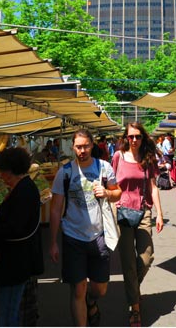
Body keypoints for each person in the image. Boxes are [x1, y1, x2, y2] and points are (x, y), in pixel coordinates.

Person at [49, 129, 121, 327]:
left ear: (92, 145)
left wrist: (106, 192)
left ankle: (92, 301)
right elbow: (55, 210)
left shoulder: (104, 167)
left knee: (100, 289)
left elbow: (118, 193)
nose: (82, 150)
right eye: (78, 147)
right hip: (73, 237)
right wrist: (53, 242)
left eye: (86, 146)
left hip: (98, 236)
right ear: (73, 147)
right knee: (78, 289)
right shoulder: (64, 173)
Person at [0, 147, 44, 326]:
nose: (0, 175)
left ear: (8, 171)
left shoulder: (25, 191)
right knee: (8, 309)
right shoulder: (22, 187)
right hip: (15, 260)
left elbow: (15, 228)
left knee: (8, 312)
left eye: (1, 171)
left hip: (16, 261)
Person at [111, 122, 164, 327]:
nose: (134, 140)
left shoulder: (148, 158)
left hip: (143, 212)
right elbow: (112, 183)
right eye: (131, 136)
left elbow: (153, 187)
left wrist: (159, 214)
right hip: (122, 213)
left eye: (137, 137)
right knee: (128, 262)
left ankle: (132, 288)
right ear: (126, 137)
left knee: (146, 256)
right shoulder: (118, 157)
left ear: (143, 138)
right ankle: (134, 307)